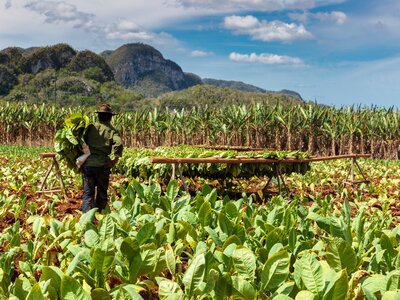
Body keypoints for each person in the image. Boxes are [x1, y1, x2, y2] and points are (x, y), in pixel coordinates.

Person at [81, 103, 123, 213]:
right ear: (110, 117)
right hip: (103, 165)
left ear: (98, 116)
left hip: (88, 163)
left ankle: (87, 221)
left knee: (88, 194)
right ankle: (101, 218)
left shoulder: (90, 127)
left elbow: (81, 141)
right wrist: (115, 159)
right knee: (102, 193)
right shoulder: (112, 130)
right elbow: (118, 144)